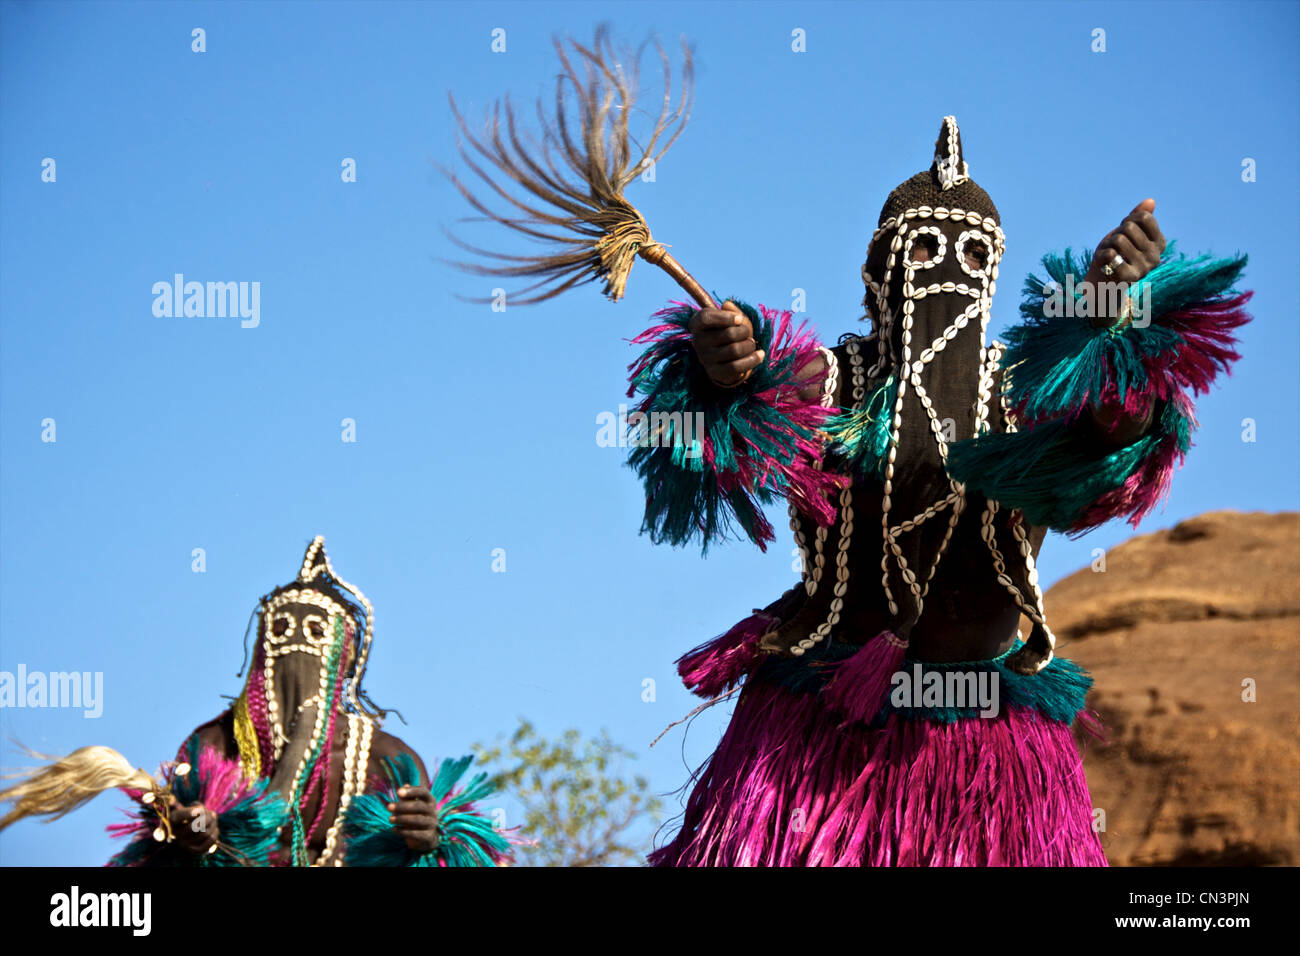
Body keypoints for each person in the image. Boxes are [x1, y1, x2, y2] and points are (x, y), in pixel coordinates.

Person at [625, 116, 1251, 866]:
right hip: (819, 741)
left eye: (972, 253)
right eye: (922, 247)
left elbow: (1114, 436)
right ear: (878, 272)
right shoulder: (830, 383)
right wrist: (726, 375)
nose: (946, 267)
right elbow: (740, 424)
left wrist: (1108, 318)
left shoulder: (1027, 392)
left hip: (989, 753)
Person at [0, 537, 509, 868]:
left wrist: (430, 839)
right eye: (282, 633)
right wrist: (191, 835)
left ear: (345, 655)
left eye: (315, 634)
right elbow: (164, 841)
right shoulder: (212, 747)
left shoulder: (387, 760)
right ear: (261, 650)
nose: (297, 655)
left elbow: (452, 855)